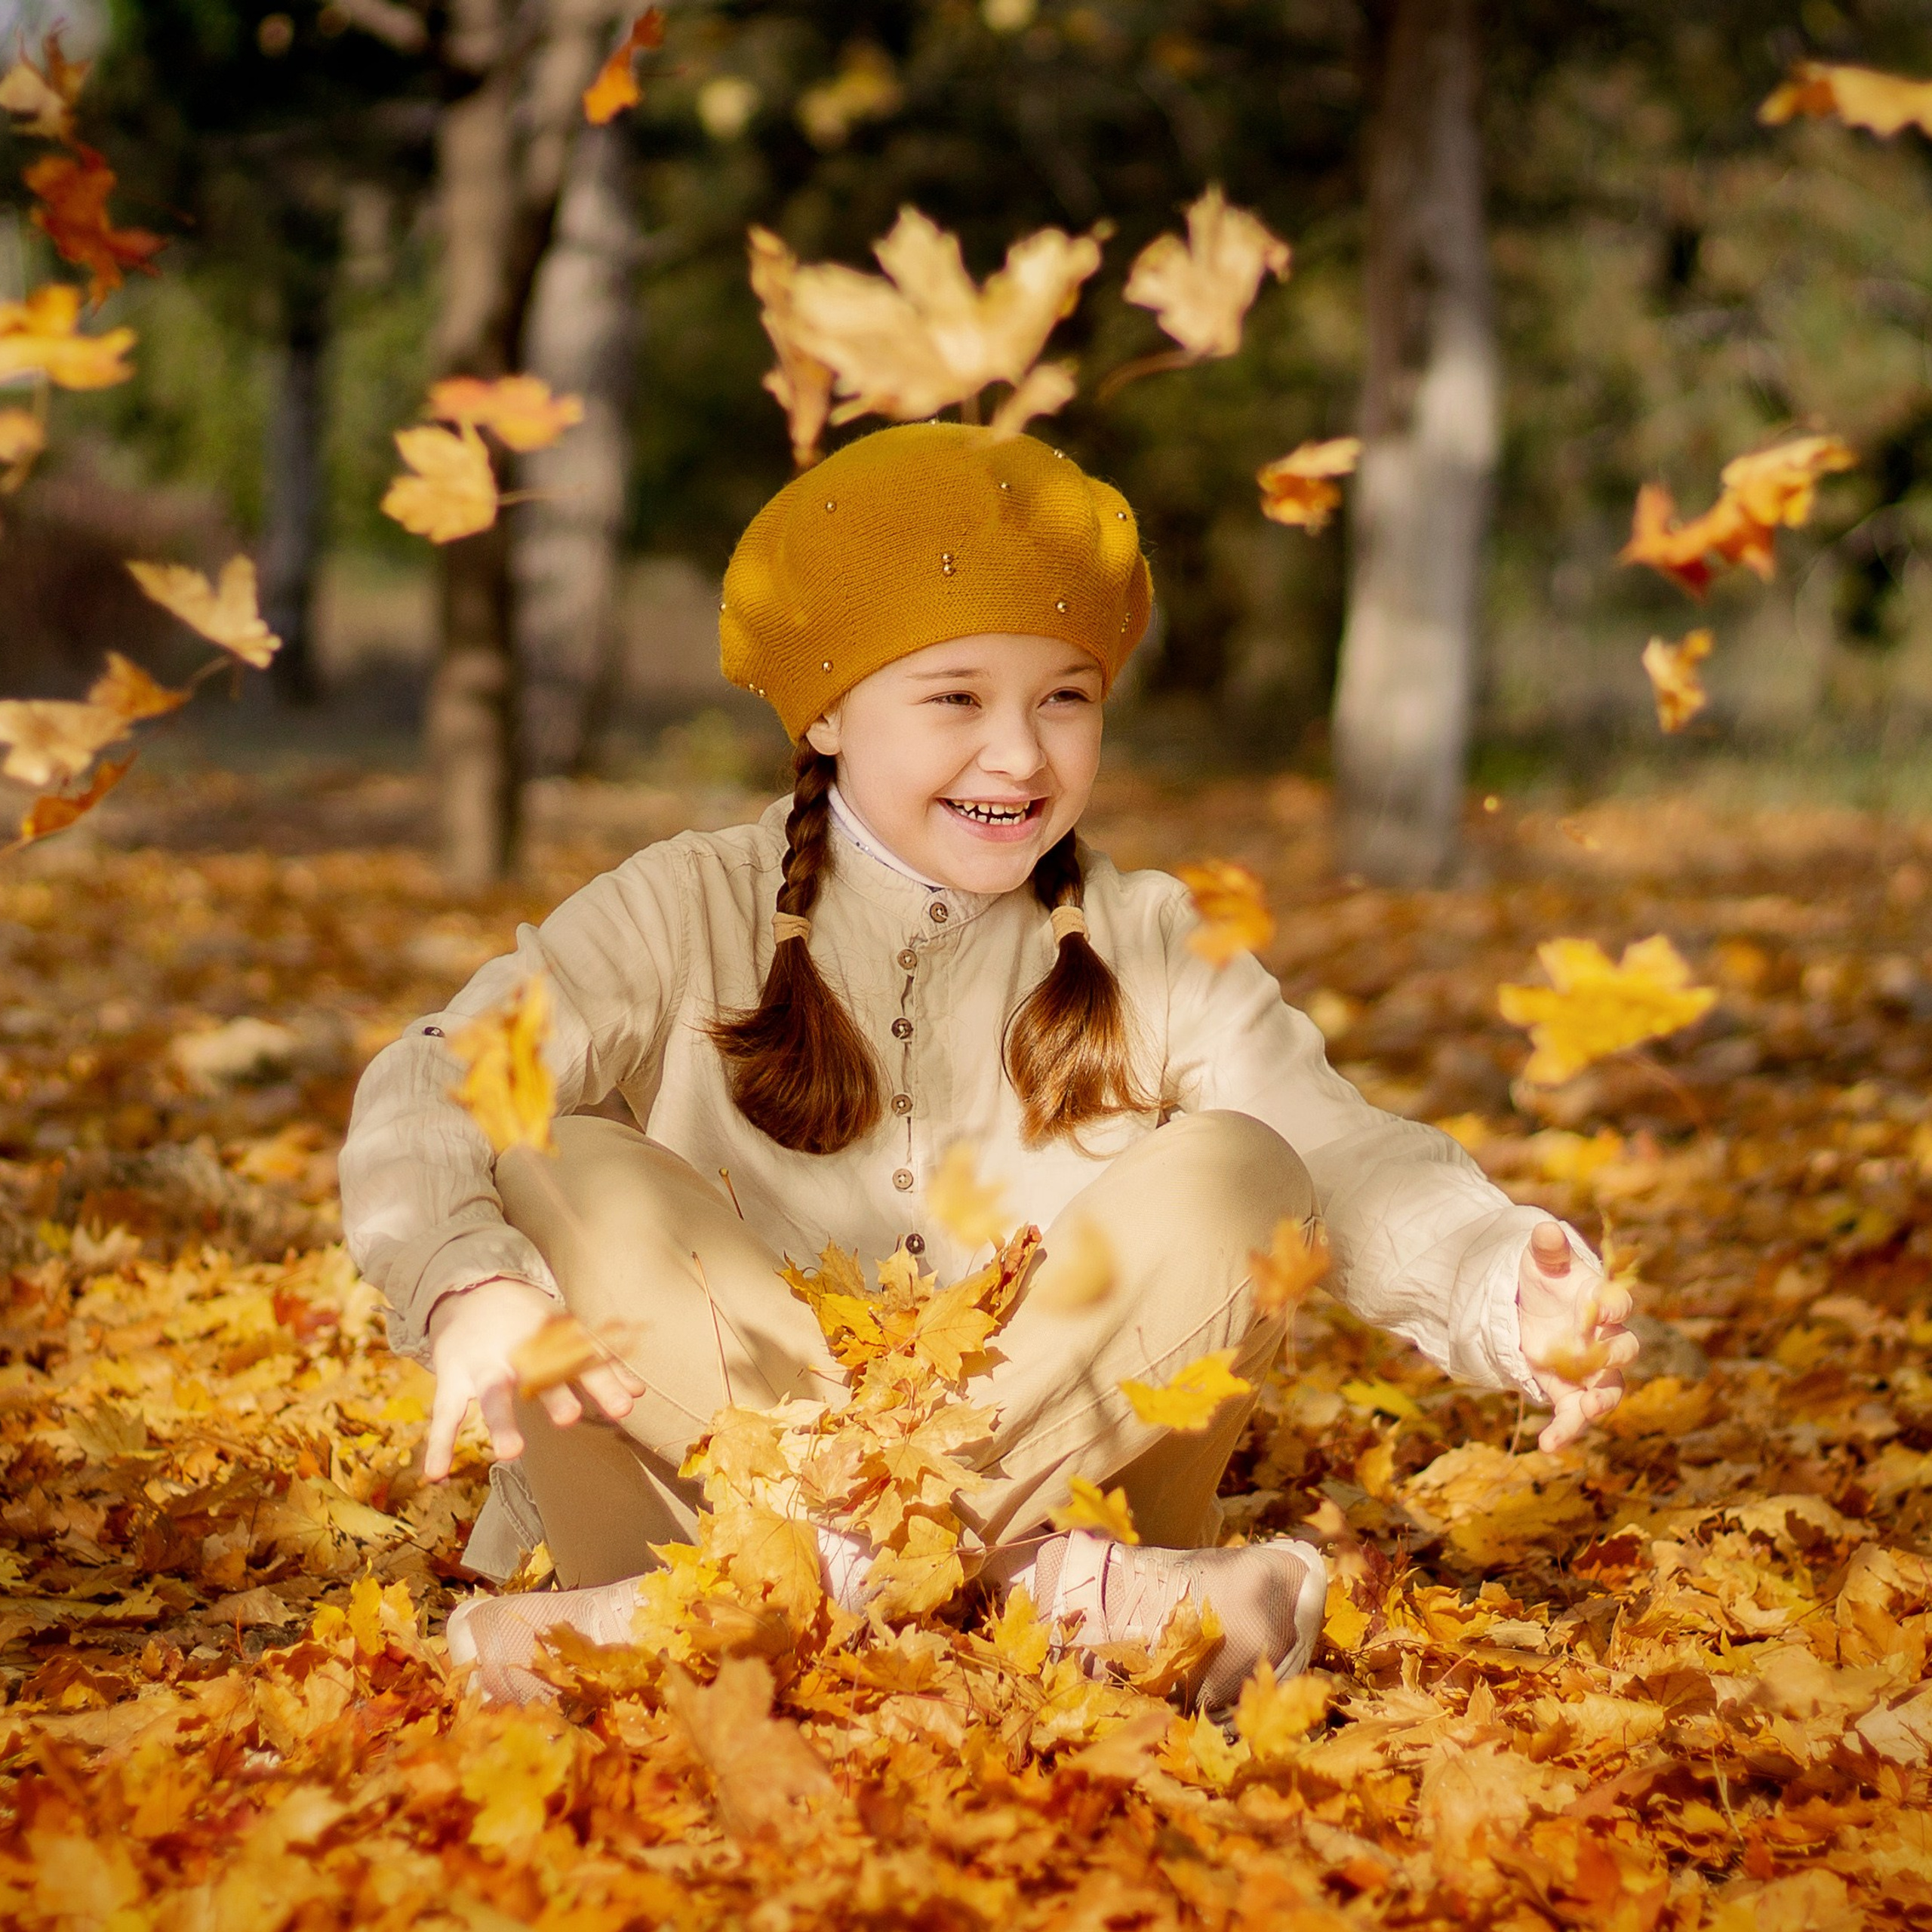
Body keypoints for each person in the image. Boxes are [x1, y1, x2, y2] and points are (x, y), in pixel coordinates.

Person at [339, 423, 1633, 1710]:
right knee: (557, 1149)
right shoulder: (683, 908)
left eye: (1063, 698)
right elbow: (432, 1077)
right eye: (956, 697)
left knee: (1249, 1166)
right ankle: (1018, 1597)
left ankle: (795, 1597)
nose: (1019, 755)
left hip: (1076, 1498)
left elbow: (1337, 1149)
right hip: (699, 1486)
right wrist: (466, 1289)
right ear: (832, 712)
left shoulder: (1149, 940)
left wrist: (1486, 1273)